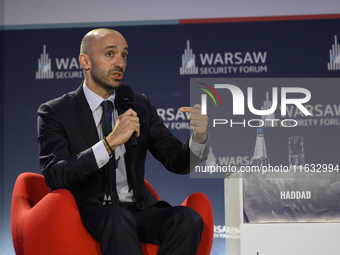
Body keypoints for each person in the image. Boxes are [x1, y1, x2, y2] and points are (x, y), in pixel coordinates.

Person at [37, 28, 208, 255]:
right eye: (110, 54)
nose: (120, 63)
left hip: (139, 209)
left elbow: (176, 161)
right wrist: (109, 143)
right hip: (92, 213)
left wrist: (198, 138)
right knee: (118, 218)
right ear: (85, 61)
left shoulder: (139, 105)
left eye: (124, 55)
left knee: (189, 219)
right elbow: (55, 174)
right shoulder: (56, 112)